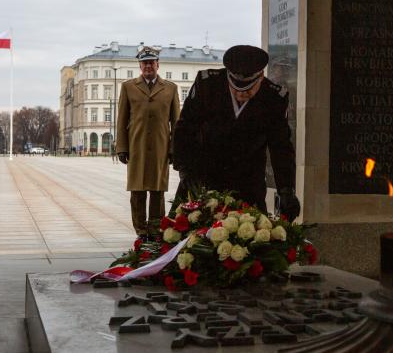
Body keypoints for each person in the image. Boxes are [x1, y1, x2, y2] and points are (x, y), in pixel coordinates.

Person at [172, 45, 301, 220]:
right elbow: (185, 129)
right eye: (236, 88)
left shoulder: (273, 98)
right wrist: (185, 169)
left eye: (248, 90)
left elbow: (281, 147)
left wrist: (286, 190)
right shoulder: (207, 85)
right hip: (204, 177)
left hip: (248, 184)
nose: (241, 94)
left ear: (260, 77)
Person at [116, 46, 180, 239]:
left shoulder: (170, 88)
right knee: (137, 192)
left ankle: (155, 229)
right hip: (137, 146)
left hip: (160, 147)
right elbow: (122, 120)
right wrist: (122, 147)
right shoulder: (128, 87)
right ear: (140, 65)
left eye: (151, 62)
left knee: (157, 191)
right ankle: (141, 231)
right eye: (145, 63)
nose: (148, 66)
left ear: (158, 64)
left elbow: (176, 122)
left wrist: (174, 149)